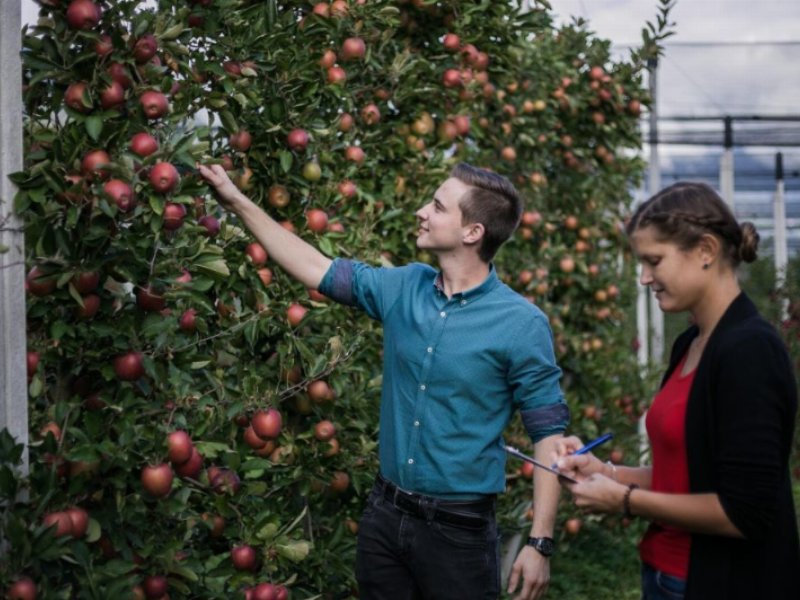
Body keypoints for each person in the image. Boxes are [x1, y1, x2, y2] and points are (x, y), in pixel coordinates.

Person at [198, 161, 569, 600]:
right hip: (385, 517)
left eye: (436, 206)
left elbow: (549, 437)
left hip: (459, 531)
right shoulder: (404, 287)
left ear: (472, 233)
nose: (421, 211)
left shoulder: (521, 324)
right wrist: (236, 201)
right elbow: (316, 265)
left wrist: (539, 542)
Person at [554, 181, 800, 600]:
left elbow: (745, 512)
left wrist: (626, 500)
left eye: (654, 261)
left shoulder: (749, 351)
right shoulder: (691, 343)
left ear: (705, 251)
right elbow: (689, 478)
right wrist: (606, 472)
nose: (645, 277)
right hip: (666, 575)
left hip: (718, 582)